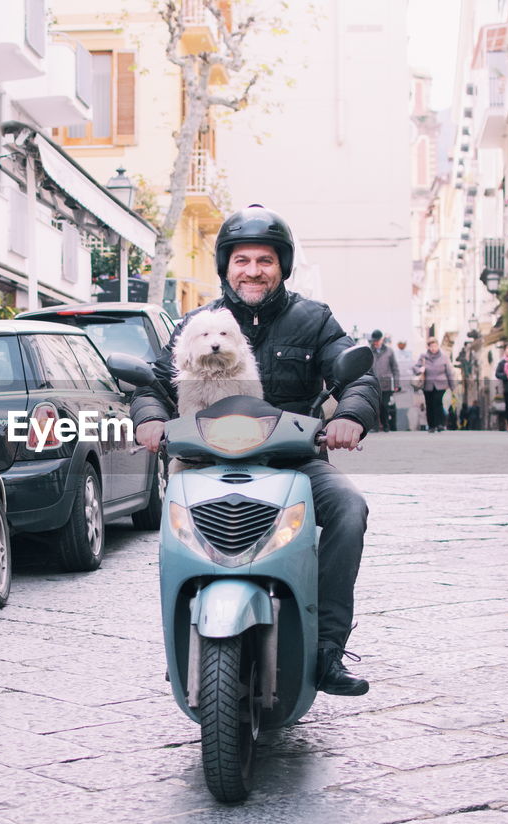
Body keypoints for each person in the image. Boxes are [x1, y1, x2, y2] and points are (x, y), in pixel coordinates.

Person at [131, 204, 379, 696]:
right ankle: (185, 638)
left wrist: (351, 414)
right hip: (206, 460)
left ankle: (327, 649)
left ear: (282, 266)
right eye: (242, 260)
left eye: (264, 260)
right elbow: (153, 382)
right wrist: (151, 418)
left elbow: (359, 374)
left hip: (293, 460)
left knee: (350, 509)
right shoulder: (197, 324)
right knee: (171, 528)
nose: (253, 271)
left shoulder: (314, 319)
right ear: (225, 266)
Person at [413, 336, 456, 432]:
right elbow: (415, 368)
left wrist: (452, 386)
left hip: (441, 384)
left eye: (435, 346)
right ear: (428, 347)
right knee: (429, 404)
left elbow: (449, 372)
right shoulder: (423, 357)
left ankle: (440, 424)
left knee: (438, 402)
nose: (433, 348)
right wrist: (420, 369)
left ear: (438, 346)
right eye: (431, 346)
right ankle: (432, 425)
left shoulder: (444, 357)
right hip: (427, 384)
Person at [368, 330, 399, 432]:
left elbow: (395, 368)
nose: (375, 343)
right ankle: (375, 426)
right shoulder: (369, 351)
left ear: (382, 340)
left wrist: (396, 384)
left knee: (384, 405)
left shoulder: (389, 351)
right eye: (374, 341)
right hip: (374, 384)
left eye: (377, 340)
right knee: (375, 406)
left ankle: (385, 425)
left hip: (387, 384)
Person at [393, 340, 416, 430]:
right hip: (400, 388)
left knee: (405, 410)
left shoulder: (408, 355)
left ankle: (405, 426)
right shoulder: (395, 355)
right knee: (401, 410)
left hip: (406, 388)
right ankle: (402, 427)